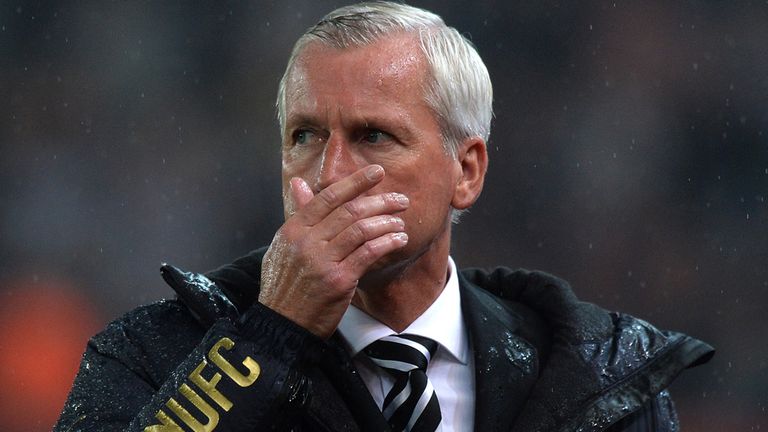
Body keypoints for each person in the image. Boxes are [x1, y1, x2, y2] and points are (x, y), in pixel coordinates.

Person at [55, 2, 714, 431]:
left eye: (373, 136)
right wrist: (268, 338)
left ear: (467, 171)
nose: (328, 172)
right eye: (305, 136)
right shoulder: (153, 351)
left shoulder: (595, 378)